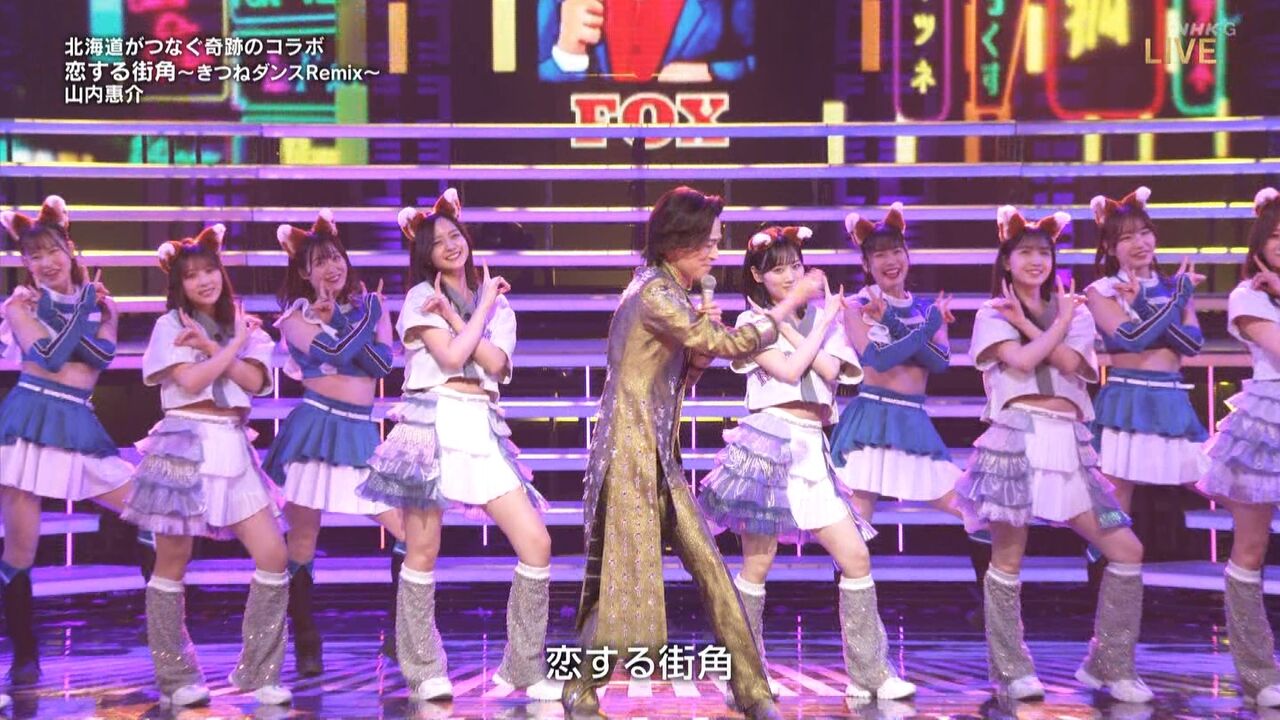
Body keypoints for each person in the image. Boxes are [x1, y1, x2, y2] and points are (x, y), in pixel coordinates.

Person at [562, 186, 825, 720]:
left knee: (711, 570)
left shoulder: (669, 292)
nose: (714, 252)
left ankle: (753, 692)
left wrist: (698, 355)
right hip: (630, 459)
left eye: (717, 241)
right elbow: (729, 344)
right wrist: (787, 305)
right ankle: (579, 689)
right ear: (675, 240)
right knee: (617, 583)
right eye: (706, 242)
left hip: (659, 458)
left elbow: (684, 370)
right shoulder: (654, 294)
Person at [697, 225, 917, 700]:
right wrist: (804, 324)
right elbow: (789, 369)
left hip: (813, 446)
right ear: (757, 276)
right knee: (758, 563)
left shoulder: (820, 315)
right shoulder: (752, 321)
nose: (790, 275)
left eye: (796, 266)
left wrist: (807, 321)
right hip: (768, 444)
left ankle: (870, 674)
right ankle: (743, 675)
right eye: (778, 269)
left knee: (855, 557)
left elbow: (831, 370)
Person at [357, 189, 560, 701]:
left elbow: (494, 363)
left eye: (454, 235)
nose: (450, 245)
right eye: (437, 241)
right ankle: (423, 667)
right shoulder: (418, 297)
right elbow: (450, 358)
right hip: (432, 421)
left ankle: (523, 665)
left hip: (481, 424)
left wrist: (465, 311)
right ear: (425, 254)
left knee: (537, 543)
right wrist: (473, 309)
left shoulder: (499, 304)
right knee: (422, 548)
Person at [956, 205, 1152, 703]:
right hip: (1016, 437)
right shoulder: (991, 312)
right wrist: (1043, 323)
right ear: (1006, 260)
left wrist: (1048, 319)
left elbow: (1069, 362)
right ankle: (1011, 669)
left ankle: (1110, 664)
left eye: (1043, 252)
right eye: (1024, 252)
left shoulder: (1075, 311)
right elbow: (1021, 361)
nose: (1035, 261)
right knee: (1007, 557)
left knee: (1126, 550)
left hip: (1069, 441)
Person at [123, 224, 292, 707]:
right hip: (183, 442)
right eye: (191, 275)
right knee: (172, 560)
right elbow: (192, 380)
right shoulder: (169, 325)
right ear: (179, 284)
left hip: (233, 444)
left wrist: (222, 345)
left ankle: (259, 672)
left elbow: (254, 383)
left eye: (209, 270)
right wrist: (232, 346)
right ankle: (175, 679)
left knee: (274, 556)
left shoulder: (245, 325)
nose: (203, 280)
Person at [264, 209, 406, 675]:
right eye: (319, 262)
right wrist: (367, 321)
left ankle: (402, 631)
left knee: (407, 530)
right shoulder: (295, 317)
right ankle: (306, 638)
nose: (332, 267)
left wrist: (360, 319)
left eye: (336, 257)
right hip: (316, 429)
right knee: (302, 539)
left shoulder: (368, 306)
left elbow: (381, 365)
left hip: (359, 432)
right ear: (304, 272)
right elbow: (334, 352)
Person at [0, 195, 133, 691]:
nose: (45, 262)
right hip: (28, 422)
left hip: (76, 421)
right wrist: (88, 310)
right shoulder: (18, 304)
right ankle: (25, 655)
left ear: (69, 248)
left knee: (152, 508)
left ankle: (168, 641)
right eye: (33, 256)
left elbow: (98, 355)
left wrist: (107, 315)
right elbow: (51, 356)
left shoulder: (95, 301)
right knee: (21, 548)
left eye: (52, 250)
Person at [1084, 186, 1208, 580]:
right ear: (1110, 247)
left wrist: (1159, 301)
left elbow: (1192, 345)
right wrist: (1175, 302)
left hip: (1171, 401)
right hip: (1127, 398)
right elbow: (1131, 338)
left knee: (1213, 480)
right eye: (1126, 237)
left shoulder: (1175, 285)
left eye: (1144, 232)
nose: (1139, 243)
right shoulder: (1101, 290)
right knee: (1114, 499)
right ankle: (1106, 590)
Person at [1198, 187, 1280, 707]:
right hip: (1267, 422)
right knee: (1251, 548)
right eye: (1277, 236)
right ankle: (1257, 671)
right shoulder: (1248, 296)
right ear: (1259, 244)